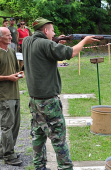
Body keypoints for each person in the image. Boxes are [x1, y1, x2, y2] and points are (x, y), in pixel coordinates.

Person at [22, 17, 99, 170]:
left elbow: (43, 53)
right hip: (49, 102)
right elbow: (71, 53)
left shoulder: (26, 42)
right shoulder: (45, 43)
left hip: (34, 101)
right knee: (59, 139)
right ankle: (65, 167)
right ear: (45, 30)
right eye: (52, 30)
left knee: (38, 136)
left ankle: (39, 166)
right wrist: (84, 41)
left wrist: (55, 42)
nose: (54, 32)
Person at [0, 27, 24, 166]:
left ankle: (4, 150)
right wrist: (8, 77)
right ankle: (8, 156)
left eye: (10, 35)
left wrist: (19, 74)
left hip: (15, 93)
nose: (11, 37)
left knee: (15, 124)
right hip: (3, 95)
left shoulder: (11, 51)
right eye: (8, 35)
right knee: (7, 126)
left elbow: (16, 69)